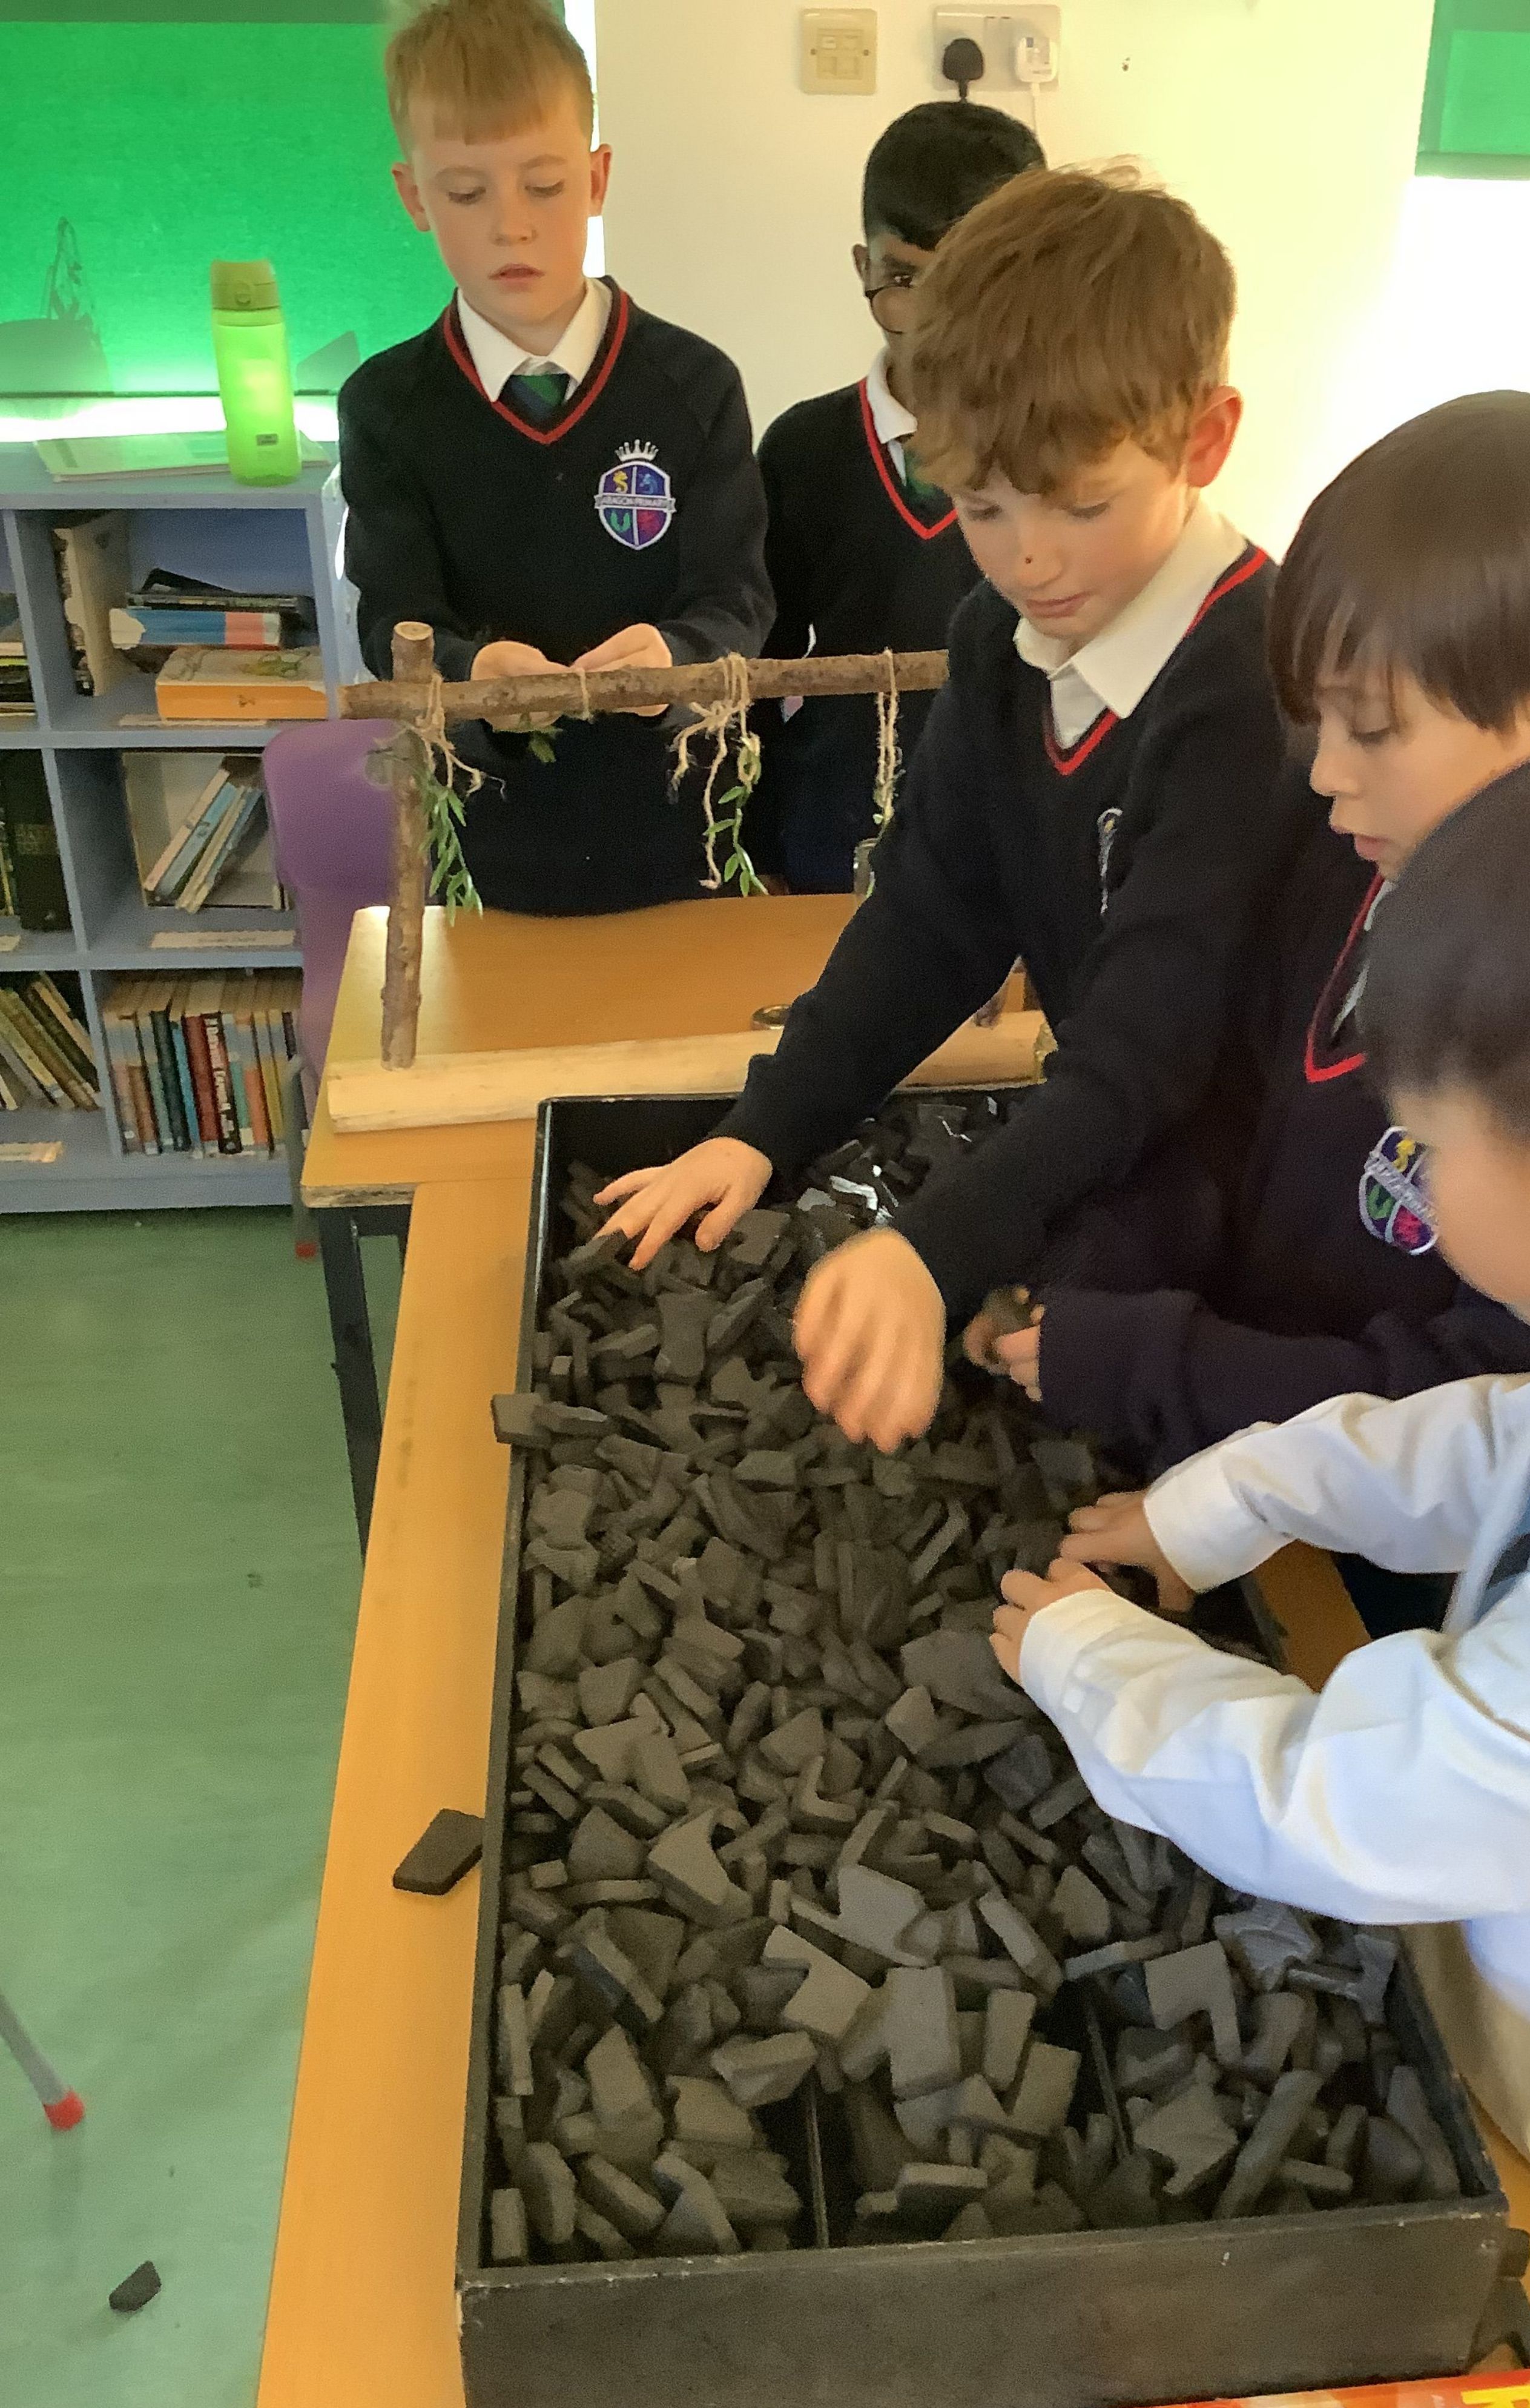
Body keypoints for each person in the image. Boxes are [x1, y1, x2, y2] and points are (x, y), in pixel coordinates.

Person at [992, 715, 1530, 2408]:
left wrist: (1084, 1655)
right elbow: (1510, 1443)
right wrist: (1228, 1502)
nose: (1413, 1178)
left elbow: (1348, 1804)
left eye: (1429, 1145)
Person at [599, 166, 1298, 1453]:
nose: (1029, 557)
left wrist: (935, 1250)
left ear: (1203, 441)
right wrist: (764, 1131)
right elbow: (930, 918)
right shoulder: (997, 638)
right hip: (1117, 1139)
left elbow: (1153, 1053)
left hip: (1259, 1212)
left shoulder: (1247, 684)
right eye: (981, 507)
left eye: (1081, 505)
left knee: (1036, 1370)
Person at [985, 394, 1530, 1482]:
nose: (1325, 774)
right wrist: (1097, 1269)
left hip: (1361, 1528)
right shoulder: (1348, 864)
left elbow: (1479, 1412)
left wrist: (1162, 1364)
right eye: (1317, 720)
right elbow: (1227, 1119)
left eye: (1377, 728)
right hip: (1222, 1463)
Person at [338, 0, 771, 915]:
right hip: (487, 842)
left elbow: (737, 600)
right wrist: (469, 670)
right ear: (414, 198)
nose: (511, 227)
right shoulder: (386, 409)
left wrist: (677, 656)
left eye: (543, 185)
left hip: (677, 827)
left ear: (597, 177)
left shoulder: (695, 387)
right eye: (466, 193)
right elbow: (394, 621)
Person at [750, 102, 1043, 893]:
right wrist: (762, 853)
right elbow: (756, 676)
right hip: (829, 852)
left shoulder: (1066, 459)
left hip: (1017, 857)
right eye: (906, 279)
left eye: (975, 281)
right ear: (864, 267)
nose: (940, 321)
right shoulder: (803, 453)